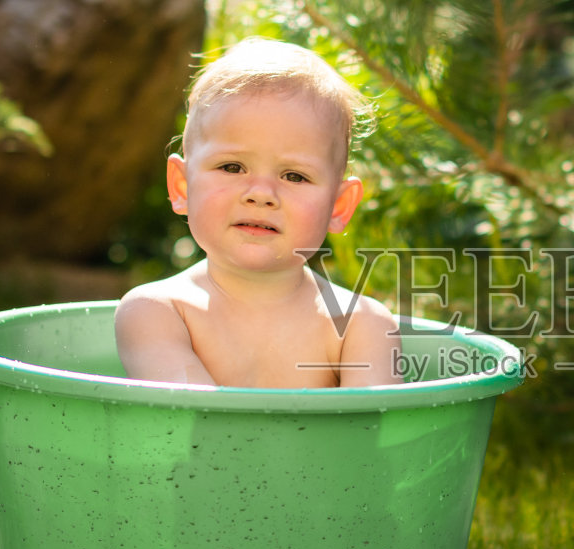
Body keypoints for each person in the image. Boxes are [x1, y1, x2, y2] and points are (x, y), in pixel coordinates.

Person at [115, 38, 400, 387]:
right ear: (183, 186)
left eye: (294, 176)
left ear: (338, 206)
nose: (261, 194)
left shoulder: (360, 326)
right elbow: (194, 417)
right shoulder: (157, 312)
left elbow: (371, 423)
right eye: (232, 167)